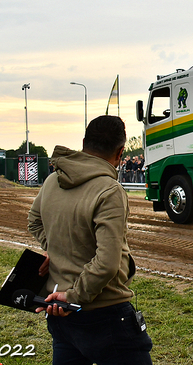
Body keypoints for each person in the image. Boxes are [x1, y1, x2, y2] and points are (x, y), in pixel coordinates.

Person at [27, 115, 153, 365]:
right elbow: (107, 263)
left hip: (62, 316)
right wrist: (73, 297)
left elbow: (34, 221)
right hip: (105, 313)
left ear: (84, 142)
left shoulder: (53, 180)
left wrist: (56, 249)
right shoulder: (110, 190)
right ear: (120, 153)